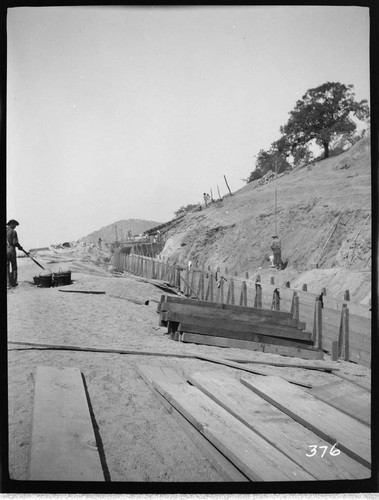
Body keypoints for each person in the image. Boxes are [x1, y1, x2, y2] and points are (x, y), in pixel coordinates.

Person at [7, 219, 24, 288]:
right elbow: (14, 243)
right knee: (14, 266)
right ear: (11, 224)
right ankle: (13, 282)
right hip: (11, 250)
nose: (15, 226)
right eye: (15, 225)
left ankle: (8, 284)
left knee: (6, 267)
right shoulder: (13, 231)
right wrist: (19, 246)